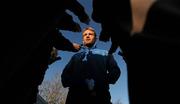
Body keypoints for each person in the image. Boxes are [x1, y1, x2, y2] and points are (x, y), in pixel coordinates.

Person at [61, 27, 121, 104]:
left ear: (96, 38)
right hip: (75, 97)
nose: (87, 36)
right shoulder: (76, 56)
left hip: (100, 96)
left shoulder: (105, 53)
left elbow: (115, 70)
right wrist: (75, 83)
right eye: (85, 34)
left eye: (90, 34)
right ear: (83, 39)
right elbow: (65, 74)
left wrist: (101, 82)